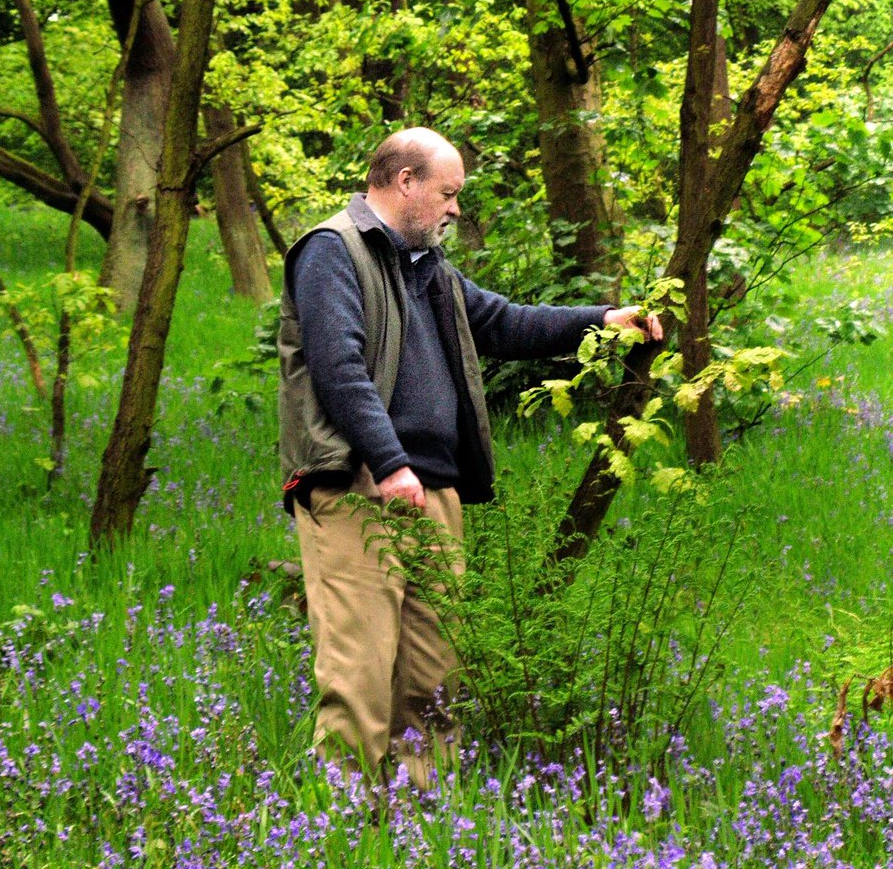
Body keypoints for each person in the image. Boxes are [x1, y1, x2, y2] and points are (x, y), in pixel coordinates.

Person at [278, 127, 662, 791]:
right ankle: (339, 834)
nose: (456, 209)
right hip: (358, 488)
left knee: (433, 678)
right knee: (360, 672)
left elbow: (505, 323)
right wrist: (391, 462)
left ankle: (419, 819)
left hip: (431, 492)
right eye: (449, 194)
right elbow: (339, 370)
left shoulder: (428, 268)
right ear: (406, 182)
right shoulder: (331, 252)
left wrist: (606, 319)